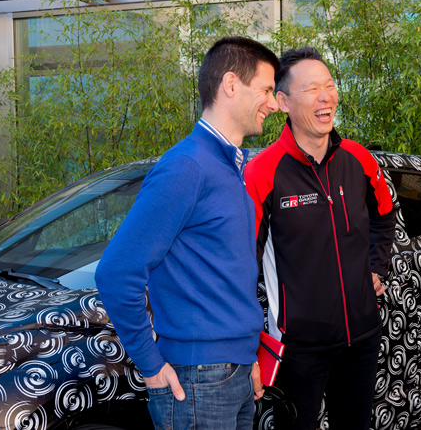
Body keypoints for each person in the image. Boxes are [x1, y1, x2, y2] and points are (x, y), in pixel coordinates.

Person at [95, 36, 280, 429]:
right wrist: (150, 364)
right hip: (198, 381)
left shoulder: (233, 165)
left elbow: (227, 275)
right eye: (265, 89)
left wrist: (246, 357)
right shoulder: (187, 166)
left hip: (234, 373)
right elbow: (116, 272)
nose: (274, 103)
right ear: (231, 85)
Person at [244, 47, 396, 430]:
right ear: (283, 101)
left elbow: (384, 215)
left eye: (329, 85)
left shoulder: (360, 159)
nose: (326, 96)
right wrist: (247, 344)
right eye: (312, 89)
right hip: (298, 345)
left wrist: (377, 266)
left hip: (361, 334)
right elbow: (242, 262)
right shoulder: (262, 173)